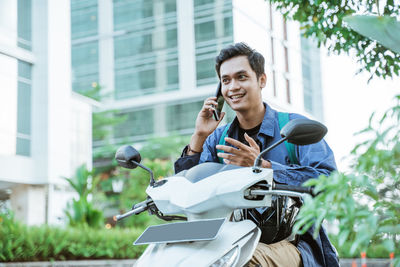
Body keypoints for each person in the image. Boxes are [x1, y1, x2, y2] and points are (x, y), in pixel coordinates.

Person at [174, 42, 339, 267]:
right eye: (225, 80)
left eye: (241, 77)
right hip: (230, 237)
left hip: (292, 243)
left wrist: (263, 167)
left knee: (241, 259)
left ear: (262, 80)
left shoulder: (294, 127)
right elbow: (189, 192)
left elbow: (330, 182)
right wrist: (199, 136)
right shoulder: (217, 139)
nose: (232, 87)